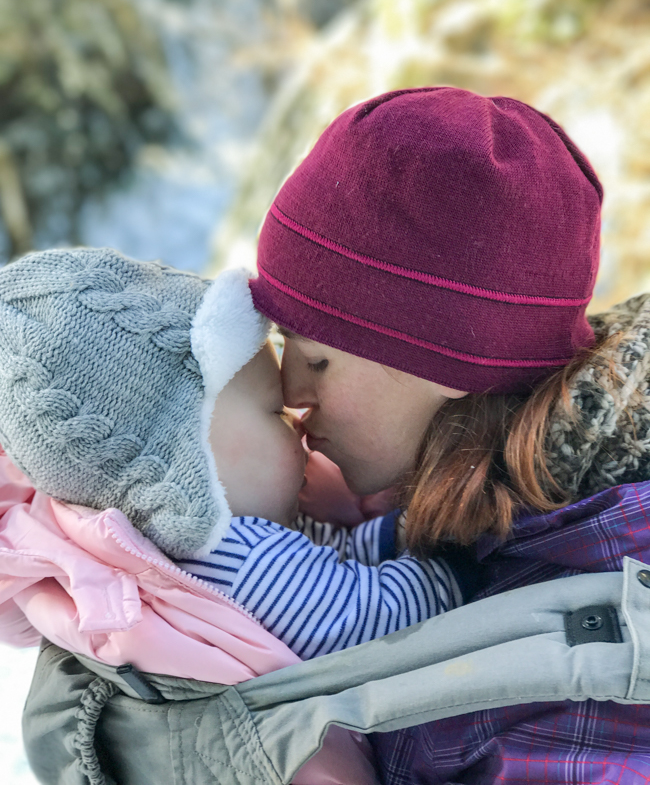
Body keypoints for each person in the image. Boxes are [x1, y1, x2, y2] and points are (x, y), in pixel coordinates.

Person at [250, 86, 650, 783]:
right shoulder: (479, 520)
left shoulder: (598, 589)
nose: (291, 396)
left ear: (449, 357)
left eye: (316, 358)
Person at [0, 246, 464, 664]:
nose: (299, 427)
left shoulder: (233, 540)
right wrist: (466, 542)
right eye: (275, 412)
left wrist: (402, 532)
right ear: (186, 463)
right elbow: (390, 620)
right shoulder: (243, 563)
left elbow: (336, 558)